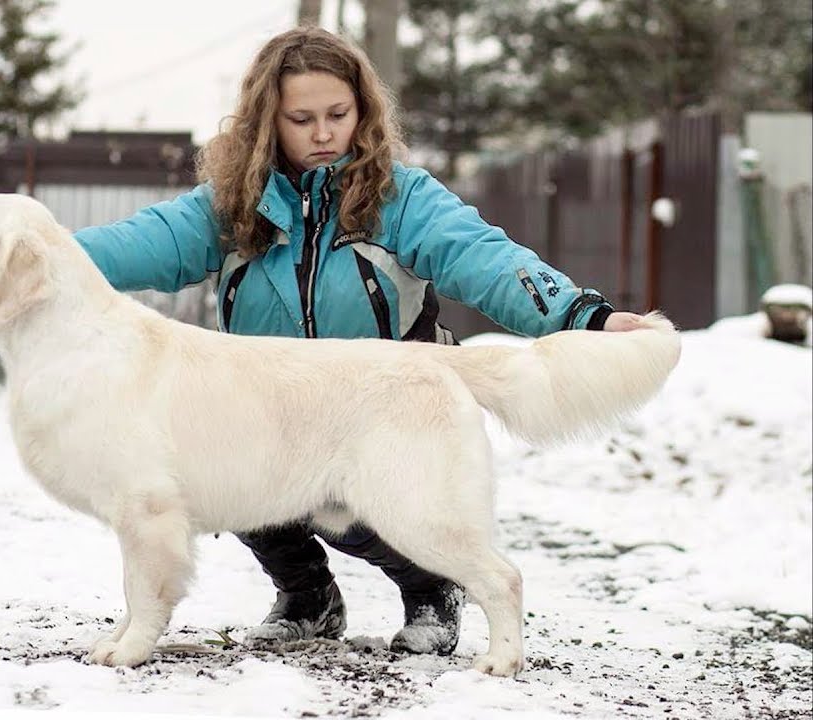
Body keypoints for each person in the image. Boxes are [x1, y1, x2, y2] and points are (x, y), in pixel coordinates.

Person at [45, 26, 644, 656]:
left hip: (386, 408)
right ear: (266, 122)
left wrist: (583, 315)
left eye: (338, 114)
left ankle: (433, 589)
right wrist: (24, 263)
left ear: (363, 111)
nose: (324, 133)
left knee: (386, 512)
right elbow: (132, 245)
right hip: (272, 410)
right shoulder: (229, 205)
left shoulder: (400, 197)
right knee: (218, 470)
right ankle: (308, 599)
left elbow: (484, 259)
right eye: (301, 119)